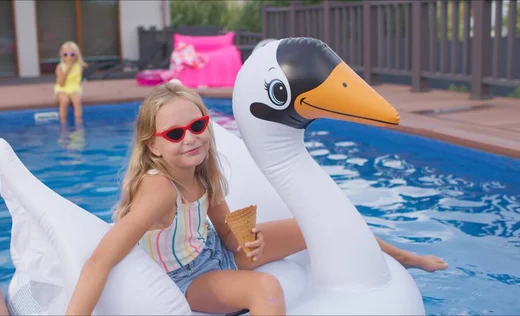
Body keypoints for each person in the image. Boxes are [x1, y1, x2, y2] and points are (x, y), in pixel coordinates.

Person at [65, 83, 448, 315]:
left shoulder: (204, 172)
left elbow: (228, 235)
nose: (191, 138)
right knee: (265, 289)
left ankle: (403, 257)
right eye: (175, 134)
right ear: (154, 145)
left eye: (197, 126)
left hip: (215, 251)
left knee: (318, 224)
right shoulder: (159, 189)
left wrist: (248, 242)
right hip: (186, 277)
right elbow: (101, 258)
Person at [54, 41, 87, 124]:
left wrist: (75, 62)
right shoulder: (60, 67)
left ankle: (78, 123)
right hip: (62, 88)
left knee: (77, 101)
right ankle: (63, 122)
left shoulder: (79, 65)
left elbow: (82, 68)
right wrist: (67, 70)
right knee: (64, 101)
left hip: (74, 87)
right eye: (65, 54)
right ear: (61, 55)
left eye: (72, 54)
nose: (69, 57)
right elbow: (61, 83)